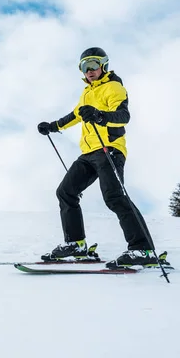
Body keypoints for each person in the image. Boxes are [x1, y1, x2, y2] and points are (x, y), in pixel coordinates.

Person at [37, 47, 159, 268]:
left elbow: (123, 116)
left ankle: (143, 249)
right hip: (89, 152)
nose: (89, 71)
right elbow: (74, 115)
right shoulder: (86, 93)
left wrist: (100, 115)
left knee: (114, 196)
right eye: (85, 67)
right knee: (66, 191)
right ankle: (76, 244)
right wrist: (52, 126)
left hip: (109, 148)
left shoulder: (114, 87)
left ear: (104, 66)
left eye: (93, 65)